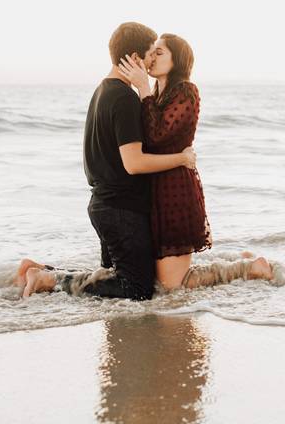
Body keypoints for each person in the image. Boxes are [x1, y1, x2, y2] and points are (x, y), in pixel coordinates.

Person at [17, 22, 195, 300]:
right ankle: (45, 279)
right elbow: (134, 163)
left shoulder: (103, 90)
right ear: (135, 57)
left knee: (111, 278)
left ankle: (42, 272)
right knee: (136, 289)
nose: (150, 62)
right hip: (120, 210)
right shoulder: (124, 98)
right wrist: (181, 159)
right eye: (150, 54)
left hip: (105, 204)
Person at [116, 34, 273, 289]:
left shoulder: (186, 91)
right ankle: (241, 262)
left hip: (175, 190)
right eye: (151, 52)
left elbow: (157, 135)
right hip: (153, 190)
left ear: (176, 59)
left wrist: (142, 89)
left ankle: (249, 268)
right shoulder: (156, 94)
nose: (151, 57)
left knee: (171, 286)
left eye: (159, 52)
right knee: (159, 280)